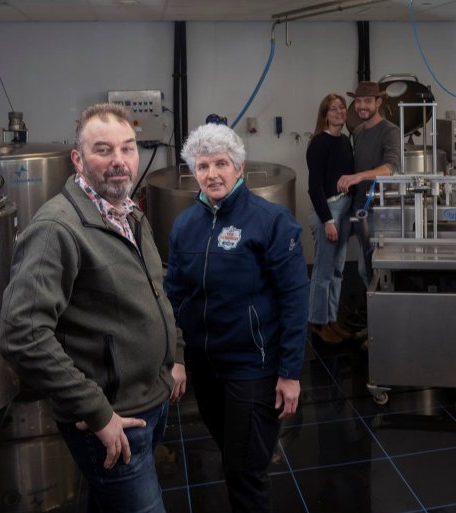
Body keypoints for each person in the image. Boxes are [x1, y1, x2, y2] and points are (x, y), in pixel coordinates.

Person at [0, 103, 186, 513]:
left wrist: (176, 357)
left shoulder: (130, 212)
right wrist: (97, 412)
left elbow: (157, 289)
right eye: (103, 150)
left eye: (128, 148)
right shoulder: (56, 229)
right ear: (78, 160)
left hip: (150, 400)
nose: (119, 161)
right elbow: (22, 335)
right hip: (111, 418)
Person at [164, 123, 308, 513]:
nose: (212, 173)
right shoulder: (185, 225)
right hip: (205, 368)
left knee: (246, 472)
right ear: (194, 171)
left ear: (239, 168)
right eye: (203, 165)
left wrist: (290, 372)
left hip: (253, 368)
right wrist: (176, 357)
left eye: (221, 163)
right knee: (234, 457)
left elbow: (295, 299)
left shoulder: (271, 221)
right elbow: (173, 295)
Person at [336, 81, 401, 286]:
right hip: (359, 207)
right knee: (364, 267)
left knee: (377, 269)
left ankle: (385, 313)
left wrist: (359, 176)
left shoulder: (390, 131)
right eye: (358, 101)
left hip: (380, 209)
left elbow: (391, 168)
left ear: (378, 102)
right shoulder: (358, 132)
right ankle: (373, 312)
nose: (361, 106)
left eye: (367, 101)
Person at [306, 93, 355, 344]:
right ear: (325, 114)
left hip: (344, 209)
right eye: (333, 109)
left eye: (342, 108)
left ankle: (331, 318)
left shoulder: (346, 141)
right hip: (328, 210)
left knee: (338, 271)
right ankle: (317, 322)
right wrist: (327, 220)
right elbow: (314, 187)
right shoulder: (318, 143)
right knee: (323, 272)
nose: (339, 112)